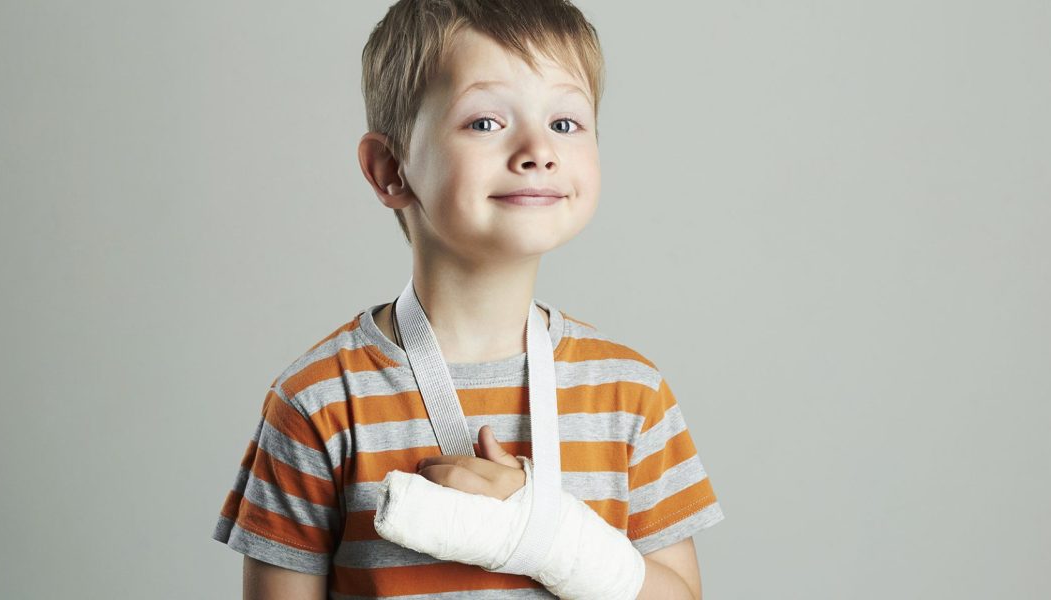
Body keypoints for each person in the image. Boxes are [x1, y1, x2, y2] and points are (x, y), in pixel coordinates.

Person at [212, 0, 726, 597]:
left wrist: (550, 532)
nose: (538, 149)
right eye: (486, 122)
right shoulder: (319, 404)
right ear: (390, 170)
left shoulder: (631, 395)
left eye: (565, 123)